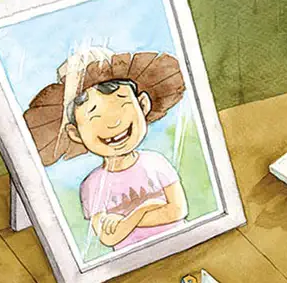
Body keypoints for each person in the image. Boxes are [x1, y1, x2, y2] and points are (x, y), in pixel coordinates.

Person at [24, 47, 188, 250]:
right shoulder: (92, 185)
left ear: (143, 105)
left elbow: (177, 211)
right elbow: (108, 238)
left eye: (121, 104)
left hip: (183, 245)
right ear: (75, 133)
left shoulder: (156, 163)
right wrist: (146, 209)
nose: (113, 123)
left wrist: (123, 220)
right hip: (131, 263)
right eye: (94, 115)